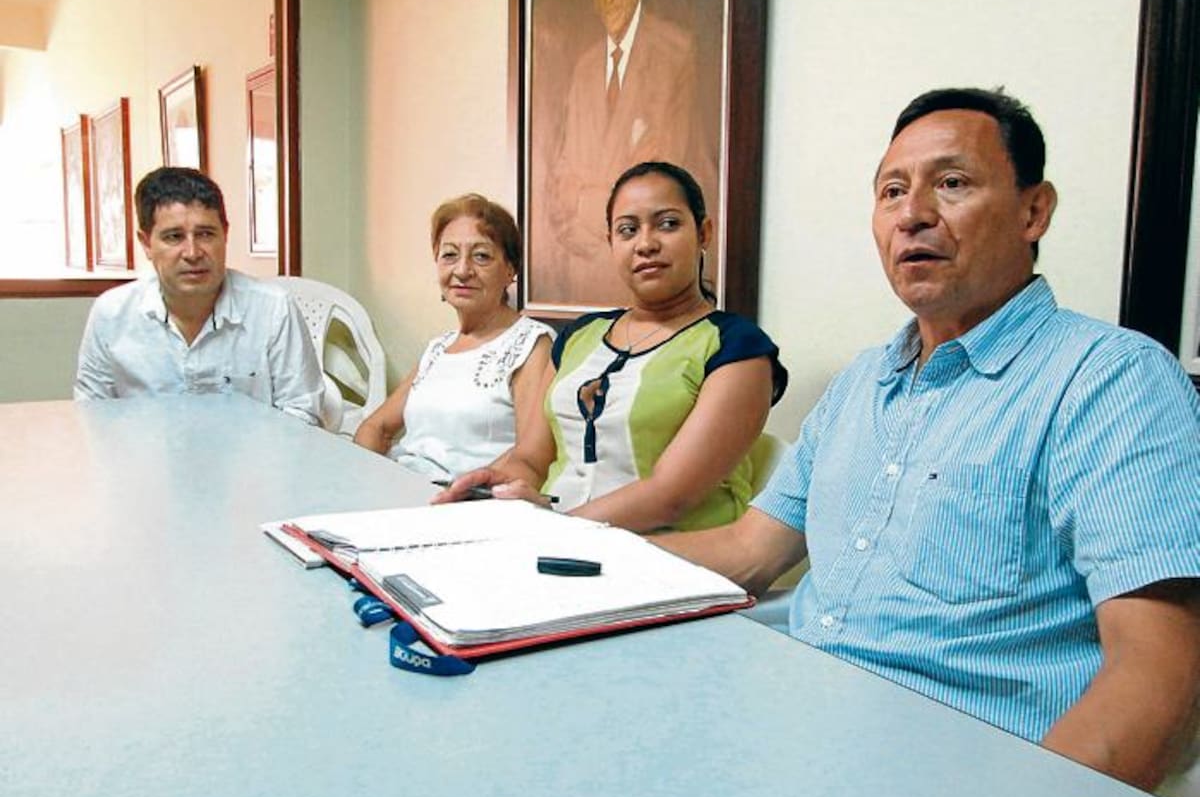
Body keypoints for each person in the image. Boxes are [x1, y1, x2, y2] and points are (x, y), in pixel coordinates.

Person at [655, 88, 1200, 793]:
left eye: (952, 183)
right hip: (788, 728)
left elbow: (1157, 669)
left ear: (1034, 211)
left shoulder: (1110, 381)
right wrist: (568, 552)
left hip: (954, 779)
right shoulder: (863, 382)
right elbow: (747, 550)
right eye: (891, 192)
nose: (912, 214)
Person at [438, 162, 787, 532]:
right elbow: (532, 458)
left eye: (668, 224)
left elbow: (669, 497)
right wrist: (495, 485)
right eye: (628, 230)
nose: (646, 244)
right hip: (553, 538)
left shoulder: (737, 348)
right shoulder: (580, 335)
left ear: (704, 233)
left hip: (663, 552)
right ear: (611, 242)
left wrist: (556, 527)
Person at [74, 167, 322, 425]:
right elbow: (92, 415)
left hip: (255, 450)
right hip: (143, 450)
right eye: (174, 237)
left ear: (225, 235)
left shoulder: (273, 309)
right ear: (146, 243)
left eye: (205, 234)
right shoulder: (111, 314)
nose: (192, 253)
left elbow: (302, 413)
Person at [537, 0, 718, 307]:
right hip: (585, 275)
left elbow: (662, 181)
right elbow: (561, 178)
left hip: (652, 284)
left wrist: (585, 200)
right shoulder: (585, 66)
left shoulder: (675, 52)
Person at [353, 194, 553, 478]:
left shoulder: (531, 344)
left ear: (510, 270)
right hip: (402, 485)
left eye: (481, 256)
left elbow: (530, 454)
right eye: (449, 255)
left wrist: (461, 492)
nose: (462, 270)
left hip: (469, 496)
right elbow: (376, 427)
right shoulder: (439, 348)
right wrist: (363, 476)